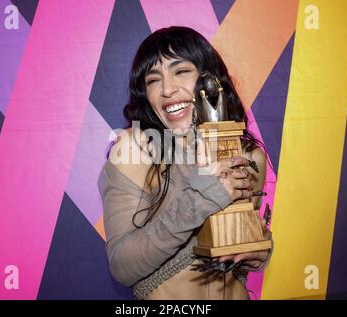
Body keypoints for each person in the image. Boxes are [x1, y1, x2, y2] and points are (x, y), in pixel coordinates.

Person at [98, 26, 273, 300]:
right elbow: (122, 266)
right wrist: (203, 196)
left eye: (181, 71)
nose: (167, 89)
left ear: (209, 79)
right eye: (153, 80)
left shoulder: (248, 154)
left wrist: (259, 250)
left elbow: (240, 243)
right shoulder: (135, 149)